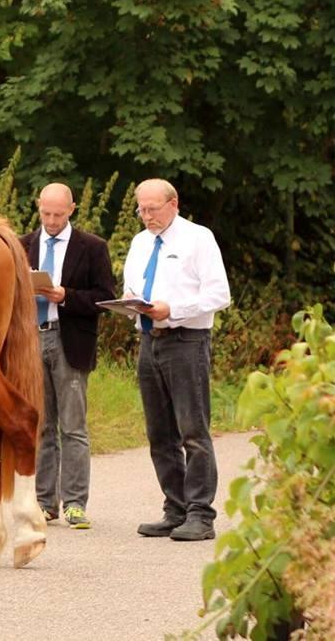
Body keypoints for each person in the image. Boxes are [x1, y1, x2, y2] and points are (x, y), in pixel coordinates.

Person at [123, 178, 230, 541]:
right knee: (159, 433)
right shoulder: (140, 243)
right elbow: (136, 287)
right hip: (149, 340)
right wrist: (129, 303)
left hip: (187, 340)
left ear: (174, 203)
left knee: (193, 430)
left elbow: (219, 294)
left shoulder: (198, 238)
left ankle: (201, 513)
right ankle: (176, 507)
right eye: (141, 209)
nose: (146, 216)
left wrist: (175, 310)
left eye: (153, 209)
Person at [19, 183, 115, 530]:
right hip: (31, 338)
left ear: (72, 209)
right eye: (46, 213)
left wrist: (66, 296)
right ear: (38, 207)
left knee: (73, 426)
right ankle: (46, 502)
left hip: (69, 338)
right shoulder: (23, 245)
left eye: (59, 214)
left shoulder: (92, 247)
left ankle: (75, 501)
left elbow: (105, 297)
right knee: (42, 426)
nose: (52, 220)